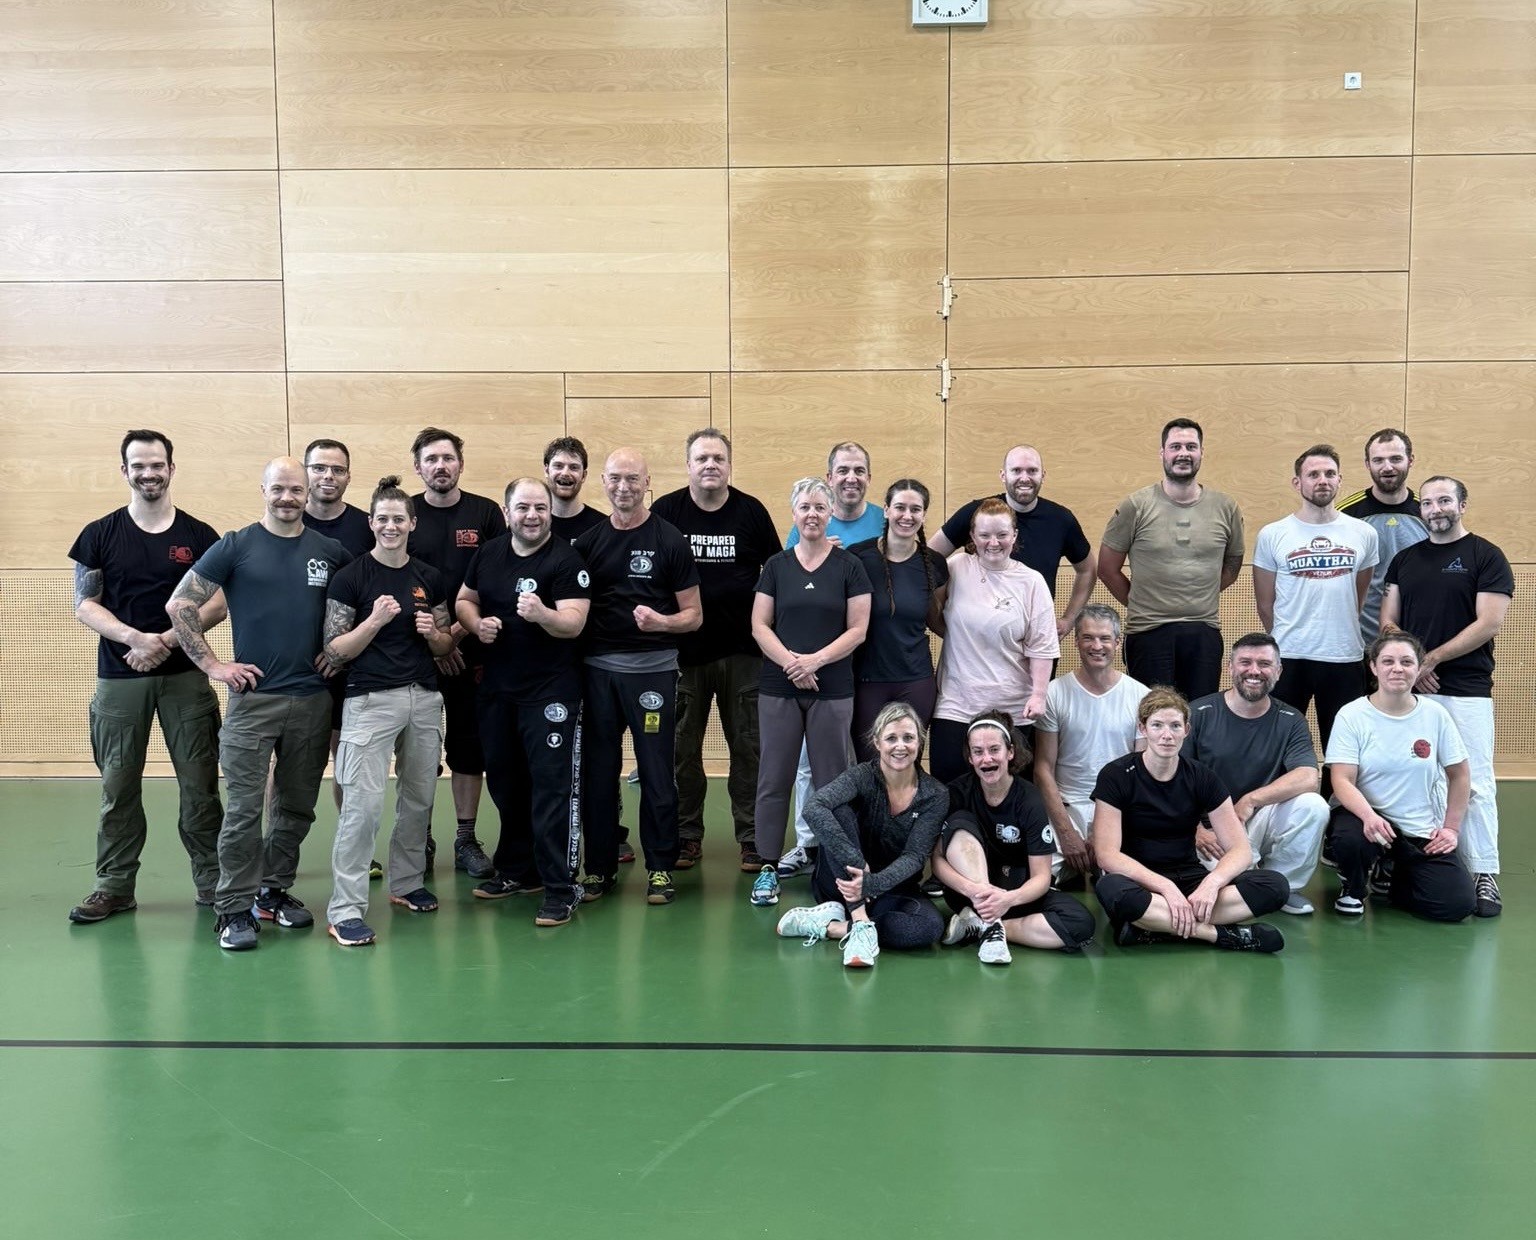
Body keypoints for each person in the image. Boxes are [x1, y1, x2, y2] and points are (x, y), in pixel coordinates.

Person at [166, 457, 351, 951]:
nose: (288, 497)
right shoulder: (236, 545)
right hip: (253, 702)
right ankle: (232, 909)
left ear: (307, 492)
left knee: (295, 808)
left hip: (312, 701)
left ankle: (273, 891)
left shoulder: (329, 550)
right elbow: (180, 604)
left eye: (296, 489)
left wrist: (338, 650)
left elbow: (351, 606)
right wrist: (213, 666)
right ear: (263, 490)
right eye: (279, 488)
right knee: (245, 811)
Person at [67, 430, 225, 924]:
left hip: (185, 679)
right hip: (120, 677)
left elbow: (219, 601)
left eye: (157, 464)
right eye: (138, 465)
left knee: (200, 786)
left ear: (172, 469)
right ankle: (113, 886)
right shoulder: (100, 533)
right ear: (125, 472)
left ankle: (214, 881)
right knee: (118, 786)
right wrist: (135, 639)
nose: (148, 472)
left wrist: (167, 641)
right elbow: (84, 604)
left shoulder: (200, 536)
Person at [320, 476, 453, 946]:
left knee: (418, 799)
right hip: (370, 700)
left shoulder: (428, 577)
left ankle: (407, 883)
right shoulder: (351, 577)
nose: (391, 526)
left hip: (423, 697)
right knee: (362, 806)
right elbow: (334, 650)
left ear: (412, 524)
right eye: (383, 519)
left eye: (400, 518)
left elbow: (442, 644)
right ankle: (345, 910)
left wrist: (432, 633)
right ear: (372, 523)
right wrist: (374, 621)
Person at [458, 478, 591, 927]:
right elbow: (463, 600)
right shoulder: (490, 553)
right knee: (505, 783)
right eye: (523, 507)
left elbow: (573, 624)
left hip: (550, 693)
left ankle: (561, 885)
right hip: (497, 690)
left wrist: (543, 615)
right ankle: (518, 870)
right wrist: (476, 625)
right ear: (507, 510)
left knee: (552, 790)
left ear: (550, 510)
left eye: (540, 507)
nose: (532, 515)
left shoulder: (566, 559)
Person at [572, 448, 701, 906]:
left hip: (653, 679)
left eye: (632, 479)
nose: (623, 487)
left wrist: (662, 623)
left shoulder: (670, 539)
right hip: (599, 677)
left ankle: (661, 869)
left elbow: (694, 616)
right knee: (600, 775)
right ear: (602, 483)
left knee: (656, 773)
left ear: (648, 483)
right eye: (614, 479)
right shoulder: (587, 543)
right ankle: (599, 869)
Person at [1381, 475, 1513, 917]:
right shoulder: (1404, 560)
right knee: (1408, 778)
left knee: (1473, 782)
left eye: (1445, 500)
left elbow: (1488, 622)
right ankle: (1401, 865)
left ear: (1462, 504)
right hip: (1412, 691)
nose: (1436, 508)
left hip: (1465, 690)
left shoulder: (1486, 556)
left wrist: (1430, 660)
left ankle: (1482, 873)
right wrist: (1413, 669)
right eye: (1429, 502)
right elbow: (1388, 623)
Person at [652, 429, 781, 872]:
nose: (711, 464)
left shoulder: (751, 512)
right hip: (682, 656)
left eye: (718, 458)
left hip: (744, 654)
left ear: (729, 465)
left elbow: (775, 575)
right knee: (680, 750)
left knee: (749, 749)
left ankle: (752, 837)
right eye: (702, 457)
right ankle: (687, 835)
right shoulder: (665, 512)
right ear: (687, 465)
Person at [748, 478, 872, 907]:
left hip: (832, 689)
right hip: (778, 688)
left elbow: (858, 629)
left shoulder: (849, 566)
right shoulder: (777, 566)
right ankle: (767, 866)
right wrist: (791, 664)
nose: (813, 514)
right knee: (774, 778)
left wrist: (814, 661)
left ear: (830, 511)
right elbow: (759, 625)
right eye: (805, 507)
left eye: (821, 507)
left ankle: (835, 867)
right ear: (794, 513)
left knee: (832, 784)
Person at [1092, 687, 1289, 952]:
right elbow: (1106, 855)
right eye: (1157, 725)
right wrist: (1166, 888)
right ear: (1143, 728)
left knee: (1274, 886)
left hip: (1191, 880)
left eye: (1175, 726)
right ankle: (1218, 936)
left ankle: (1154, 929)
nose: (1166, 735)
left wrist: (1212, 883)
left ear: (1186, 730)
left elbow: (1241, 850)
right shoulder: (1116, 775)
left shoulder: (1201, 776)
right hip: (1141, 885)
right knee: (1112, 889)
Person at [775, 442, 885, 880]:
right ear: (829, 475)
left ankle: (864, 839)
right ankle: (809, 842)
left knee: (863, 758)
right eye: (842, 470)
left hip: (870, 660)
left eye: (859, 469)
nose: (851, 478)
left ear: (869, 477)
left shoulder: (884, 519)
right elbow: (785, 584)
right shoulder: (807, 522)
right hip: (816, 667)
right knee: (807, 762)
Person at [772, 703, 947, 967]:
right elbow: (813, 807)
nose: (900, 746)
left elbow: (914, 857)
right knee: (838, 810)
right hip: (839, 883)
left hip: (889, 888)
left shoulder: (935, 794)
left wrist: (872, 883)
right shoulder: (862, 776)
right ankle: (860, 919)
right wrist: (857, 864)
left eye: (908, 738)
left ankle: (833, 926)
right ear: (877, 742)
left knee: (929, 929)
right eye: (891, 738)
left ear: (920, 741)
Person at [406, 427, 508, 880]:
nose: (440, 466)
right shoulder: (405, 514)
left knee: (469, 746)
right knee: (418, 752)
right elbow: (394, 577)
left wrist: (456, 637)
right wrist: (434, 643)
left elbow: (498, 581)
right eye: (431, 459)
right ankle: (419, 838)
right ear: (418, 467)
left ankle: (465, 838)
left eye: (448, 458)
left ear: (461, 464)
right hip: (417, 656)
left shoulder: (486, 514)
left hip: (471, 653)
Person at [1325, 633, 1475, 922]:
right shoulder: (1352, 715)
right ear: (1373, 667)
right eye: (1388, 661)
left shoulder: (1435, 714)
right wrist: (1369, 817)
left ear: (1418, 668)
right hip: (1366, 819)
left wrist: (1451, 829)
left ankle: (1395, 878)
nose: (1397, 668)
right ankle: (1354, 887)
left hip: (1417, 827)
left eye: (1407, 662)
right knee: (1350, 839)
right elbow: (1342, 780)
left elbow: (1460, 774)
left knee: (1456, 905)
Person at [1097, 418, 1245, 700]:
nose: (1183, 453)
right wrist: (1145, 601)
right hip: (1148, 631)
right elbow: (1106, 569)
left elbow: (1232, 566)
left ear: (1202, 452)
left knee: (1198, 718)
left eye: (1191, 446)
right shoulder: (1135, 506)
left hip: (1204, 631)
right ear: (1162, 453)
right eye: (1175, 446)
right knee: (1153, 718)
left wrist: (1196, 594)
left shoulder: (1226, 507)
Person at [932, 712, 1097, 964]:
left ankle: (990, 927)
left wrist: (1007, 900)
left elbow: (1042, 877)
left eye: (994, 749)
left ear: (1010, 752)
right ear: (970, 757)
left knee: (1080, 924)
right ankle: (991, 924)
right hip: (968, 893)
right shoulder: (956, 793)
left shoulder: (1029, 799)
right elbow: (937, 861)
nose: (986, 758)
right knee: (961, 820)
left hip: (1013, 893)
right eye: (978, 751)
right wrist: (975, 891)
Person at [1184, 634, 1330, 915]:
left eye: (1264, 663)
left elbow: (1308, 776)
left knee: (1314, 806)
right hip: (1211, 829)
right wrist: (1195, 830)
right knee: (1224, 881)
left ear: (1278, 671)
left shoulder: (1291, 719)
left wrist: (1250, 800)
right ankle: (1255, 884)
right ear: (1230, 667)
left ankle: (1283, 886)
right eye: (1245, 662)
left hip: (1257, 817)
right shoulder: (1198, 713)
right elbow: (1172, 781)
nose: (1254, 671)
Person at [1252, 444, 1378, 756]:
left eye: (1329, 474)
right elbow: (1265, 603)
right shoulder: (1273, 534)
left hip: (1344, 657)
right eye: (1313, 474)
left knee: (1343, 750)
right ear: (1298, 482)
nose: (1322, 480)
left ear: (1339, 480)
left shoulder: (1363, 533)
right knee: (1279, 746)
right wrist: (1287, 635)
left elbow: (1357, 595)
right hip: (1290, 655)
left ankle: (1336, 805)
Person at [929, 498, 1059, 785]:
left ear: (1014, 535)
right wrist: (955, 635)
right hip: (956, 705)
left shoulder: (1032, 582)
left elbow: (1042, 645)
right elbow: (933, 613)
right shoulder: (956, 567)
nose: (994, 543)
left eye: (1002, 535)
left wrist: (1038, 694)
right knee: (950, 794)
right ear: (973, 537)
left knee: (1009, 800)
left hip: (1013, 709)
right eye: (985, 535)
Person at [1033, 604, 1147, 887]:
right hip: (1066, 808)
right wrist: (1066, 831)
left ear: (1118, 642)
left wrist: (1105, 828)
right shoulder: (1055, 693)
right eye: (1088, 637)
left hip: (1117, 811)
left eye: (1105, 638)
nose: (1097, 646)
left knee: (1124, 885)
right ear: (1077, 641)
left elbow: (1141, 772)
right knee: (1035, 883)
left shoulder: (1140, 696)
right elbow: (1043, 769)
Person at [301, 437, 377, 859]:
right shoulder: (288, 521)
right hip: (297, 668)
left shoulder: (366, 527)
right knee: (292, 765)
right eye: (319, 468)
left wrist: (340, 653)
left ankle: (354, 852)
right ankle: (277, 855)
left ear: (348, 475)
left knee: (348, 763)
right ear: (306, 472)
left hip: (351, 666)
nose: (328, 476)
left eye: (337, 469)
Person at [930, 444, 1094, 636]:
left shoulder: (1061, 520)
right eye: (1016, 470)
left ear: (1043, 475)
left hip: (1034, 638)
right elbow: (928, 558)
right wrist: (939, 619)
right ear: (1003, 475)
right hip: (979, 641)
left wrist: (1069, 619)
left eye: (1032, 470)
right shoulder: (976, 514)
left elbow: (1087, 569)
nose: (1024, 478)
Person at [847, 479, 948, 762]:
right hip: (867, 678)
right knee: (869, 765)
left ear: (924, 515)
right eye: (900, 507)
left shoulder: (934, 564)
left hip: (916, 679)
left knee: (907, 761)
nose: (907, 516)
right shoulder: (858, 558)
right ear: (886, 510)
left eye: (915, 509)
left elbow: (936, 619)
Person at [1338, 428, 1428, 647]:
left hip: (1416, 647)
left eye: (1395, 459)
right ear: (1368, 464)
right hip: (1358, 646)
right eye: (1378, 460)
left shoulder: (1428, 512)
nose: (1387, 467)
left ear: (1410, 460)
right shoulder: (1345, 515)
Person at [544, 436, 607, 543]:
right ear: (546, 471)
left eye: (574, 467)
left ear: (584, 476)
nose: (565, 473)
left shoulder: (602, 527)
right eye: (558, 466)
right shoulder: (532, 525)